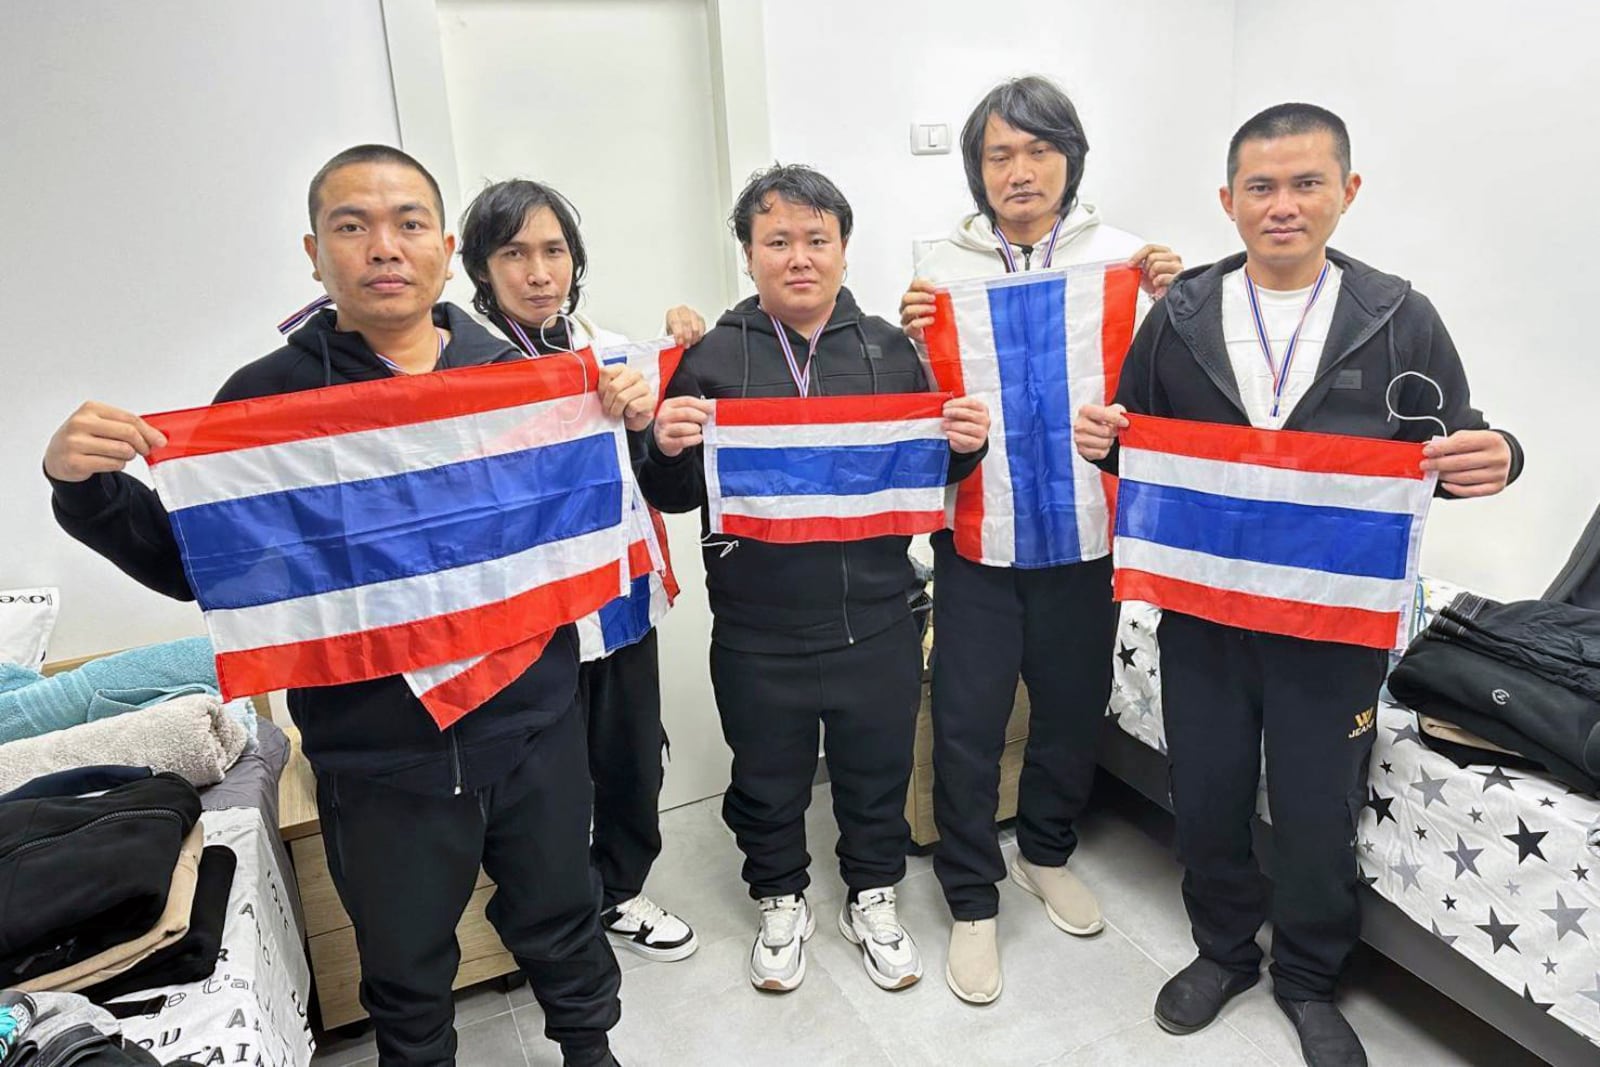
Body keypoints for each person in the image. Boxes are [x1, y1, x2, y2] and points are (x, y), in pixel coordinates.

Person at [42, 145, 624, 1067]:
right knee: (403, 963)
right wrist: (84, 489)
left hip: (533, 718)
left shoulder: (516, 373)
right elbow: (205, 571)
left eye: (409, 224)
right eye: (354, 226)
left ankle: (590, 1050)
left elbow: (576, 524)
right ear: (315, 253)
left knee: (564, 912)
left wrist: (617, 410)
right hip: (377, 752)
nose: (384, 247)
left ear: (444, 248)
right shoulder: (266, 401)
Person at [1073, 104, 1523, 1067]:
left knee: (1320, 808)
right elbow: (1141, 450)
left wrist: (1506, 454)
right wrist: (1105, 447)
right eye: (1262, 187)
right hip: (1205, 614)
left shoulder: (1400, 316)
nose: (1284, 205)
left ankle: (1311, 976)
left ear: (1346, 193)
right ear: (1228, 201)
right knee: (1208, 793)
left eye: (1307, 183)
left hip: (1336, 621)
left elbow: (1459, 439)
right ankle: (1223, 951)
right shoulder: (1181, 316)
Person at [638, 164, 990, 994]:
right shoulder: (712, 355)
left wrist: (966, 444)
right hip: (758, 627)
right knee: (766, 776)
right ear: (749, 255)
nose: (799, 257)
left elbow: (930, 472)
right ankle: (780, 894)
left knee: (876, 770)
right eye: (778, 241)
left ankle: (871, 892)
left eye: (816, 240)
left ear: (842, 248)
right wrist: (666, 444)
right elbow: (678, 494)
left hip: (877, 614)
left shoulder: (891, 350)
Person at [897, 75, 1183, 1005]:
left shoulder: (1130, 262)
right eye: (998, 155)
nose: (1019, 172)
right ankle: (972, 898)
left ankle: (1049, 851)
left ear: (1071, 159)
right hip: (977, 538)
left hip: (1088, 533)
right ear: (978, 170)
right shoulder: (937, 269)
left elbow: (1180, 389)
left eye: (1038, 151)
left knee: (1070, 709)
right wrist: (913, 342)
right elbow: (911, 406)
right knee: (971, 727)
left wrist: (1178, 302)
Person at [458, 177, 704, 962]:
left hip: (620, 594)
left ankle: (624, 891)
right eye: (515, 253)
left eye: (554, 250)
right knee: (545, 783)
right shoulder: (461, 369)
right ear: (482, 267)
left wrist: (653, 403)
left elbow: (665, 471)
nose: (538, 272)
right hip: (530, 614)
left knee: (629, 756)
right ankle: (556, 919)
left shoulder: (610, 346)